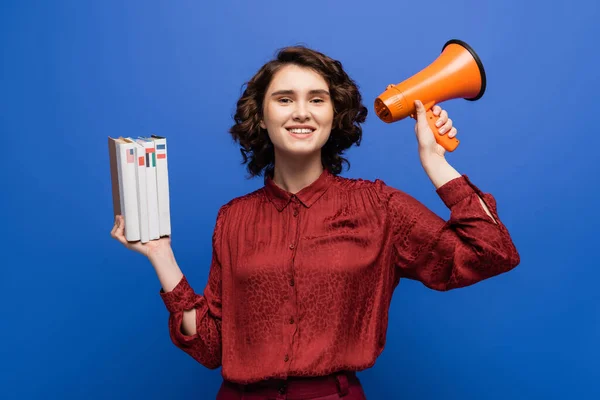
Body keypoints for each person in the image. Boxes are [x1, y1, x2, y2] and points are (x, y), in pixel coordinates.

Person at [111, 45, 520, 399]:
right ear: (261, 116)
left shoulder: (379, 206)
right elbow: (211, 349)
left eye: (317, 99)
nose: (301, 112)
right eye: (284, 99)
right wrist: (161, 256)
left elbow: (492, 252)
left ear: (334, 115)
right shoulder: (233, 218)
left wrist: (435, 161)